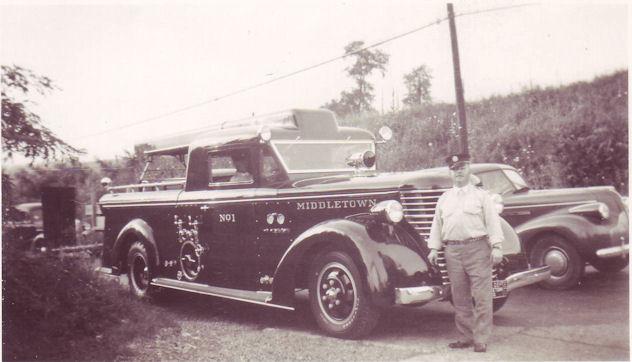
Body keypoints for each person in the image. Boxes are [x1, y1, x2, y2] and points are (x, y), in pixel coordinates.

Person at [427, 153, 504, 353]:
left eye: (461, 168)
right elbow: (437, 225)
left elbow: (493, 222)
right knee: (460, 297)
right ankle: (465, 337)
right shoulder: (444, 199)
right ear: (450, 173)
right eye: (454, 169)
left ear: (469, 168)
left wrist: (496, 246)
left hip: (477, 248)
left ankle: (481, 339)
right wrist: (434, 248)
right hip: (452, 251)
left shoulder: (481, 196)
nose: (458, 172)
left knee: (481, 296)